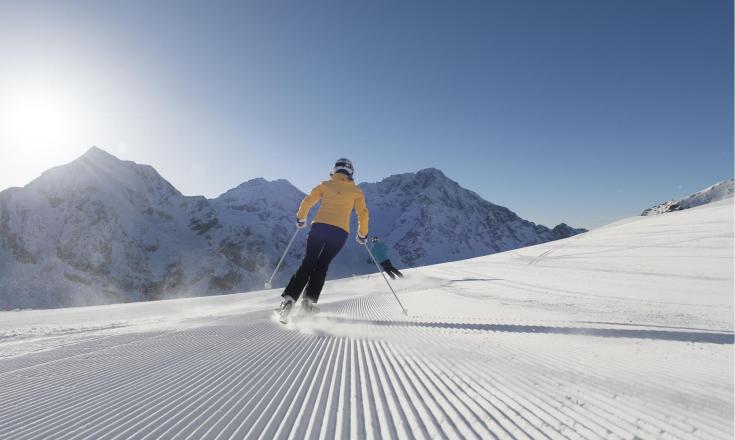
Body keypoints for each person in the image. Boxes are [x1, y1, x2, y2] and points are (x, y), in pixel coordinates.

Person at [278, 158, 369, 318]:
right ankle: (308, 303)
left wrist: (301, 218)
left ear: (334, 170)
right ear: (351, 173)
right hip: (340, 233)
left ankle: (289, 301)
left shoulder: (325, 185)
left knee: (308, 262)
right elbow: (363, 213)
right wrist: (362, 234)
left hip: (319, 228)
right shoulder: (356, 191)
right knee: (322, 265)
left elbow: (308, 201)